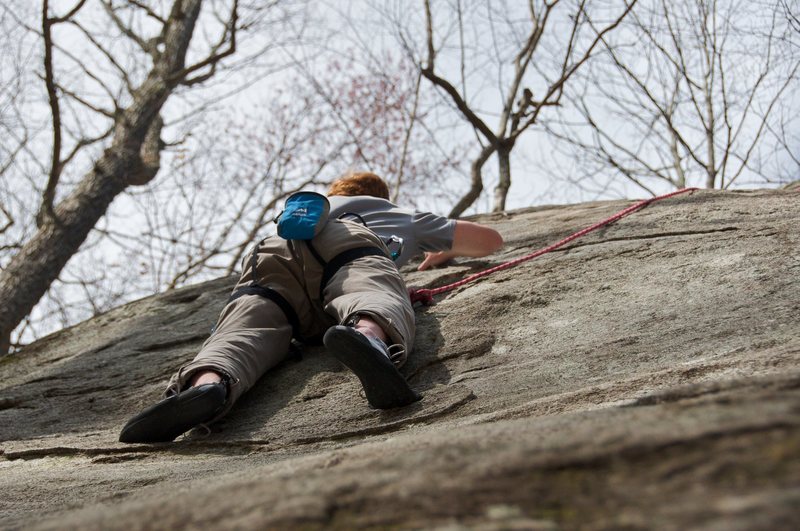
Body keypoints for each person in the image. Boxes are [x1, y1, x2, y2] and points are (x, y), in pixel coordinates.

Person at [119, 172, 503, 443]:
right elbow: (489, 240)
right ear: (383, 195)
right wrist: (442, 249)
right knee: (368, 286)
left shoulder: (316, 207)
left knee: (249, 323)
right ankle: (368, 338)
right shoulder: (390, 212)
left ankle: (208, 384)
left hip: (273, 255)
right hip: (345, 243)